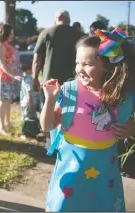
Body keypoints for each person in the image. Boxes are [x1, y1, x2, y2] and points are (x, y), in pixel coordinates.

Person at [40, 28, 135, 211]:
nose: (79, 69)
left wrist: (128, 130)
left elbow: (130, 126)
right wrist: (50, 99)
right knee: (64, 206)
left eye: (87, 64)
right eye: (77, 63)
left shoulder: (121, 96)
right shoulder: (70, 91)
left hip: (104, 169)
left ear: (108, 66)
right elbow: (47, 126)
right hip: (71, 165)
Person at [32, 9, 83, 149]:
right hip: (74, 83)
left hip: (50, 83)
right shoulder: (79, 35)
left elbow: (37, 60)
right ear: (69, 19)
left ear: (56, 18)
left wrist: (35, 78)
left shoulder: (46, 33)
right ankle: (69, 143)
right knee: (70, 114)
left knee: (48, 112)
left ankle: (50, 144)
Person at [0, 24, 22, 136]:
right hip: (3, 78)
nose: (12, 36)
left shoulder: (6, 45)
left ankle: (8, 122)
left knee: (8, 101)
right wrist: (13, 75)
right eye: (11, 33)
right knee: (3, 102)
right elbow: (1, 64)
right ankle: (1, 126)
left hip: (9, 76)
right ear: (5, 33)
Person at [20, 62, 40, 140]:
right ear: (28, 70)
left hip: (29, 101)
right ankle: (26, 133)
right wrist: (31, 102)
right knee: (29, 117)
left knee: (31, 117)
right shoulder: (27, 79)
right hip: (29, 102)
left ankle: (32, 132)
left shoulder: (27, 77)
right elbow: (28, 91)